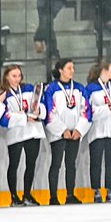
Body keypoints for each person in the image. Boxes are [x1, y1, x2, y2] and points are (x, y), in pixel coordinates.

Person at [0, 64, 45, 206]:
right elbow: (3, 118)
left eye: (19, 76)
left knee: (31, 164)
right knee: (14, 164)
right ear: (6, 77)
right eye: (13, 76)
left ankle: (27, 194)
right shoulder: (4, 93)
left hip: (33, 131)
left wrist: (38, 111)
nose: (17, 79)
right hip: (15, 133)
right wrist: (23, 118)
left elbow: (40, 103)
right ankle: (14, 196)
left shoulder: (28, 88)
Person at [43, 58, 89, 205]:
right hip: (58, 133)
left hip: (74, 132)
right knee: (56, 163)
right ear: (61, 70)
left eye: (73, 68)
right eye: (69, 68)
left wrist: (79, 129)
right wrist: (62, 130)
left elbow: (86, 110)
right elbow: (50, 111)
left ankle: (70, 195)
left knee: (71, 163)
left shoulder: (80, 88)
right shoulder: (51, 88)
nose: (72, 71)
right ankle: (53, 197)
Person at [84, 59, 111, 203]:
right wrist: (106, 109)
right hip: (97, 131)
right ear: (104, 71)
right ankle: (96, 191)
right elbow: (89, 111)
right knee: (96, 162)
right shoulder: (91, 88)